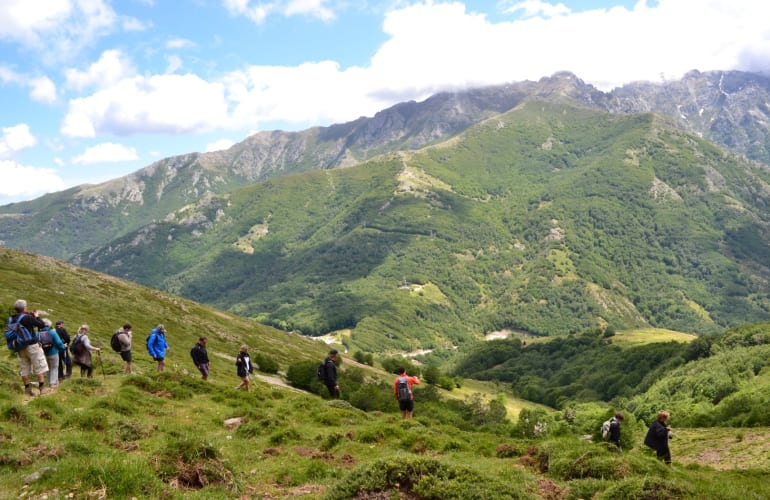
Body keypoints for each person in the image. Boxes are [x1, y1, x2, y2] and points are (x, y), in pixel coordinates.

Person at [9, 299, 48, 396]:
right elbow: (41, 325)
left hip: (20, 346)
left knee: (24, 367)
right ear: (24, 308)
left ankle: (27, 389)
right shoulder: (27, 317)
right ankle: (42, 388)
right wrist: (36, 317)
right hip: (32, 345)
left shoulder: (12, 318)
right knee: (38, 365)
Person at [40, 319, 68, 390]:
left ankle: (49, 382)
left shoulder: (39, 333)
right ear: (49, 325)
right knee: (54, 368)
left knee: (48, 368)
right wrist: (63, 346)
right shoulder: (52, 332)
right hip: (54, 352)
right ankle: (53, 384)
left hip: (45, 353)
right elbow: (59, 342)